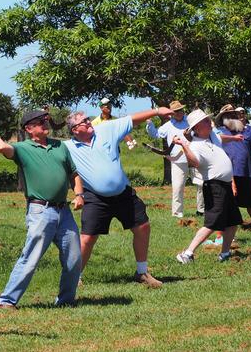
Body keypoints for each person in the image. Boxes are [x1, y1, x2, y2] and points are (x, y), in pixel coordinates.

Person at [0, 111, 84, 309]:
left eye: (46, 120)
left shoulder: (60, 146)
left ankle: (66, 301)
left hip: (64, 211)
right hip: (41, 211)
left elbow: (74, 173)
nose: (45, 123)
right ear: (28, 129)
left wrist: (79, 195)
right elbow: (0, 146)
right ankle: (6, 301)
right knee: (31, 257)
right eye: (40, 121)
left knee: (74, 258)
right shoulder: (22, 148)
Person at [65, 103, 173, 288]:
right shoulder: (67, 148)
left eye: (87, 119)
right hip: (95, 197)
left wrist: (156, 111)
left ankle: (142, 272)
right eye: (83, 121)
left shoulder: (106, 129)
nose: (88, 122)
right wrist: (78, 194)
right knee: (87, 238)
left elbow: (132, 119)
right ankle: (75, 277)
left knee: (142, 227)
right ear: (75, 130)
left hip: (123, 193)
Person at [175, 109, 243, 264]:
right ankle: (187, 253)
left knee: (233, 222)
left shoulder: (212, 135)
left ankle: (225, 253)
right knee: (212, 223)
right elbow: (194, 162)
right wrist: (184, 145)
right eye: (206, 121)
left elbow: (221, 137)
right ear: (197, 127)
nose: (210, 123)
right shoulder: (195, 146)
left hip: (225, 185)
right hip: (214, 186)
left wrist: (233, 138)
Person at [146, 100, 205, 218]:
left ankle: (201, 210)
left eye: (181, 110)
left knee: (202, 184)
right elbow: (156, 134)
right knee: (178, 187)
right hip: (178, 160)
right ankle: (177, 213)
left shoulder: (190, 121)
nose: (179, 113)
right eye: (176, 111)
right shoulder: (167, 126)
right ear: (172, 113)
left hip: (194, 157)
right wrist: (149, 124)